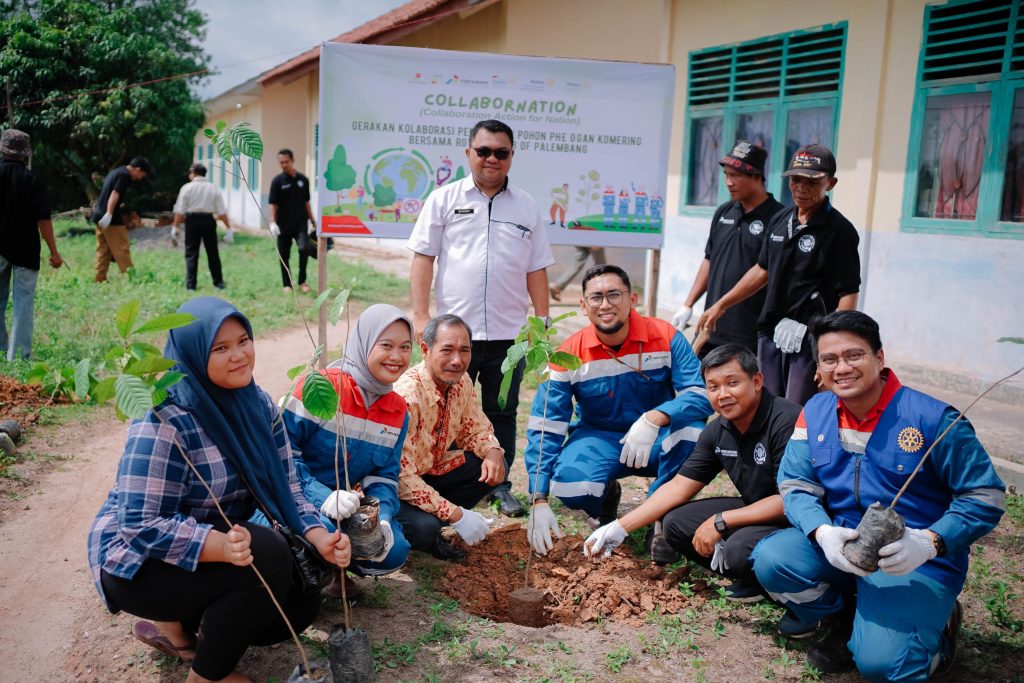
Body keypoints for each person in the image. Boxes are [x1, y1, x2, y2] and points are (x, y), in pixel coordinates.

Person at [87, 297, 351, 683]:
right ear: (193, 354)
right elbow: (138, 524)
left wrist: (320, 536)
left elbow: (289, 489)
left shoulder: (258, 405)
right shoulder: (165, 417)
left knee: (301, 602)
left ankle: (180, 631)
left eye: (244, 340)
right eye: (220, 348)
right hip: (137, 564)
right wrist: (218, 546)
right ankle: (207, 675)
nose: (239, 355)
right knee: (268, 553)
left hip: (209, 552)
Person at [752, 311, 1005, 679]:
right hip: (842, 545)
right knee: (772, 559)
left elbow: (985, 496)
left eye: (854, 355)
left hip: (913, 559)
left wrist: (931, 542)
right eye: (830, 359)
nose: (843, 368)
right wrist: (822, 532)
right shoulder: (816, 411)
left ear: (880, 358)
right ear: (818, 368)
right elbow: (795, 484)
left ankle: (938, 634)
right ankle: (844, 622)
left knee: (884, 667)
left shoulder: (933, 419)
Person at [408, 119, 554, 517]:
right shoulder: (443, 199)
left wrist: (541, 323)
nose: (492, 158)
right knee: (448, 409)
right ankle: (450, 482)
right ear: (469, 153)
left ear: (511, 157)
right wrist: (421, 315)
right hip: (456, 337)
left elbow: (536, 268)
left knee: (501, 409)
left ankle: (500, 485)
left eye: (501, 152)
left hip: (510, 334)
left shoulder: (526, 206)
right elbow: (424, 257)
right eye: (484, 151)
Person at [524, 264, 713, 559]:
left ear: (632, 299)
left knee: (693, 432)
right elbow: (545, 424)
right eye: (596, 298)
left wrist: (657, 416)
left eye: (614, 294)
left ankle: (661, 516)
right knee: (570, 483)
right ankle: (605, 497)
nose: (606, 304)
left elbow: (700, 394)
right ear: (583, 306)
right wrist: (538, 498)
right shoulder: (567, 356)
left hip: (657, 435)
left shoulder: (666, 336)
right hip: (600, 437)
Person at [584, 344, 799, 600]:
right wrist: (619, 528)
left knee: (738, 548)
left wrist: (722, 520)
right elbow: (678, 487)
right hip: (756, 509)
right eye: (713, 387)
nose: (723, 394)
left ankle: (782, 586)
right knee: (676, 523)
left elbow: (791, 499)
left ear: (756, 381)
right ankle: (753, 580)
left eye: (732, 383)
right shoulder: (718, 430)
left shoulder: (787, 421)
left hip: (797, 517)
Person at [697, 144, 860, 404]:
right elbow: (762, 270)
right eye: (796, 180)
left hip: (809, 340)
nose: (801, 188)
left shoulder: (840, 231)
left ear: (831, 183)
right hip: (770, 333)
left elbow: (848, 295)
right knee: (766, 408)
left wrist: (829, 352)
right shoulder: (781, 220)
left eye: (812, 182)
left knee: (797, 411)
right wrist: (721, 305)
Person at [266, 304, 413, 576]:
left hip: (342, 509)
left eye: (405, 347)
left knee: (393, 550)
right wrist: (322, 496)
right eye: (386, 345)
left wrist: (382, 517)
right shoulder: (322, 388)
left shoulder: (398, 412)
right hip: (289, 498)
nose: (397, 356)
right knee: (329, 534)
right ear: (363, 342)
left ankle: (329, 570)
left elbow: (385, 476)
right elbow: (278, 456)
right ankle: (315, 573)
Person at [392, 314, 506, 559]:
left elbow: (475, 427)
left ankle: (435, 516)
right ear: (425, 349)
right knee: (426, 529)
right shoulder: (408, 398)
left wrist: (493, 452)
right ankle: (419, 531)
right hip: (392, 487)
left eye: (464, 350)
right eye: (447, 350)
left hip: (429, 472)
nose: (457, 360)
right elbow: (401, 477)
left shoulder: (460, 380)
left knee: (492, 466)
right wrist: (457, 515)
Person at [672, 141, 783, 357]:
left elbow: (767, 272)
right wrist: (688, 304)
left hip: (749, 333)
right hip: (711, 326)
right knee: (698, 385)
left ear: (757, 176)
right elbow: (709, 259)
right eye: (726, 175)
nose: (728, 183)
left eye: (735, 176)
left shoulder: (777, 219)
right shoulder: (724, 212)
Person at [0, 129, 62, 361]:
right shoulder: (32, 180)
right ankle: (18, 356)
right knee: (22, 305)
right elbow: (43, 220)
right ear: (25, 154)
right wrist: (54, 252)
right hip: (25, 252)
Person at [91, 156, 150, 282]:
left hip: (99, 215)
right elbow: (115, 193)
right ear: (138, 170)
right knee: (122, 248)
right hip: (110, 217)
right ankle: (131, 279)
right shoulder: (125, 176)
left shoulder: (117, 171)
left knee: (103, 249)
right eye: (142, 175)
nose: (140, 178)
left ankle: (99, 279)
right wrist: (109, 213)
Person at [171, 163, 229, 291]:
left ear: (193, 172)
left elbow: (180, 211)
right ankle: (218, 283)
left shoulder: (187, 188)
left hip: (192, 220)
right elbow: (221, 211)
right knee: (212, 252)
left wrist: (175, 227)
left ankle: (191, 285)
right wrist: (228, 228)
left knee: (191, 252)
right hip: (208, 220)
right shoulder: (213, 188)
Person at [269, 149, 317, 293]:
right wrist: (272, 223)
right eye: (281, 162)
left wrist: (313, 220)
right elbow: (273, 204)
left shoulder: (303, 179)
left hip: (300, 223)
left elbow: (306, 202)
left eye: (286, 161)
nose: (284, 165)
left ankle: (302, 281)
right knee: (284, 254)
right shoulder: (277, 181)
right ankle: (287, 284)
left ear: (292, 160)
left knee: (304, 249)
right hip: (283, 225)